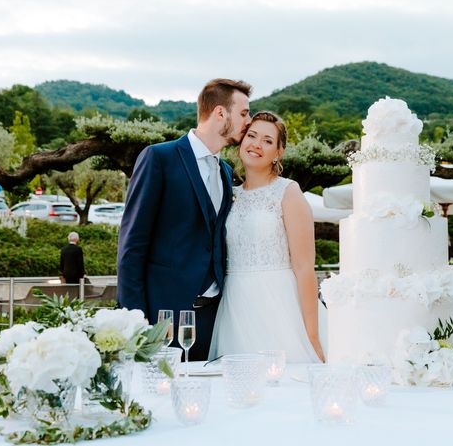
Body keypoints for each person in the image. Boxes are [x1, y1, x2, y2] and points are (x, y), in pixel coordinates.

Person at [117, 78, 252, 361]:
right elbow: (132, 244)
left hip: (214, 318)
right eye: (243, 113)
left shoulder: (225, 172)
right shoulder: (159, 158)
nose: (248, 121)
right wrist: (135, 320)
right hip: (163, 317)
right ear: (219, 113)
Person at [209, 111, 326, 363]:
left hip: (279, 304)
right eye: (251, 136)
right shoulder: (228, 193)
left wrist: (312, 335)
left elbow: (305, 268)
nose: (256, 144)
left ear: (278, 152)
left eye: (267, 140)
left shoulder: (288, 192)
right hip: (235, 306)